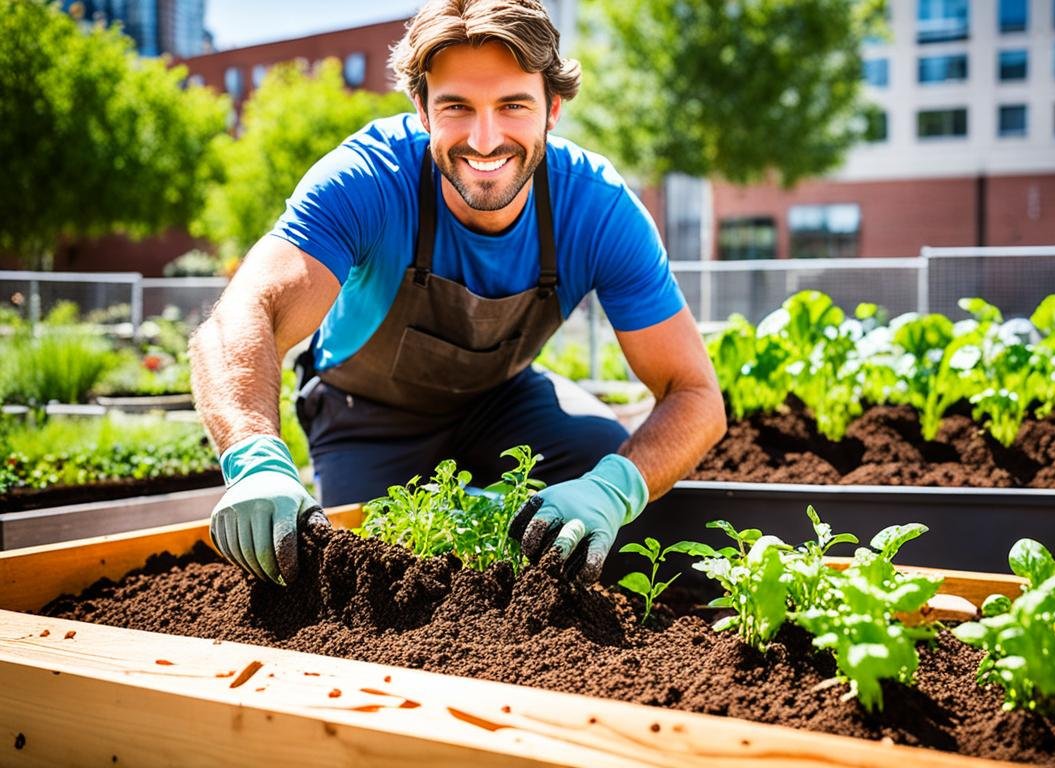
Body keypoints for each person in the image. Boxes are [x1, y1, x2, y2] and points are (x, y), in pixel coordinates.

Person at [189, 0, 726, 588]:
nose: (485, 138)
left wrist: (611, 490)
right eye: (456, 107)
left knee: (601, 450)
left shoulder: (597, 208)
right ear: (421, 109)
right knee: (357, 574)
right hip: (366, 417)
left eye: (513, 105)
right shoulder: (367, 180)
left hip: (502, 401)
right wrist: (254, 458)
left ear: (553, 107)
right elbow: (241, 316)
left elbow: (695, 394)